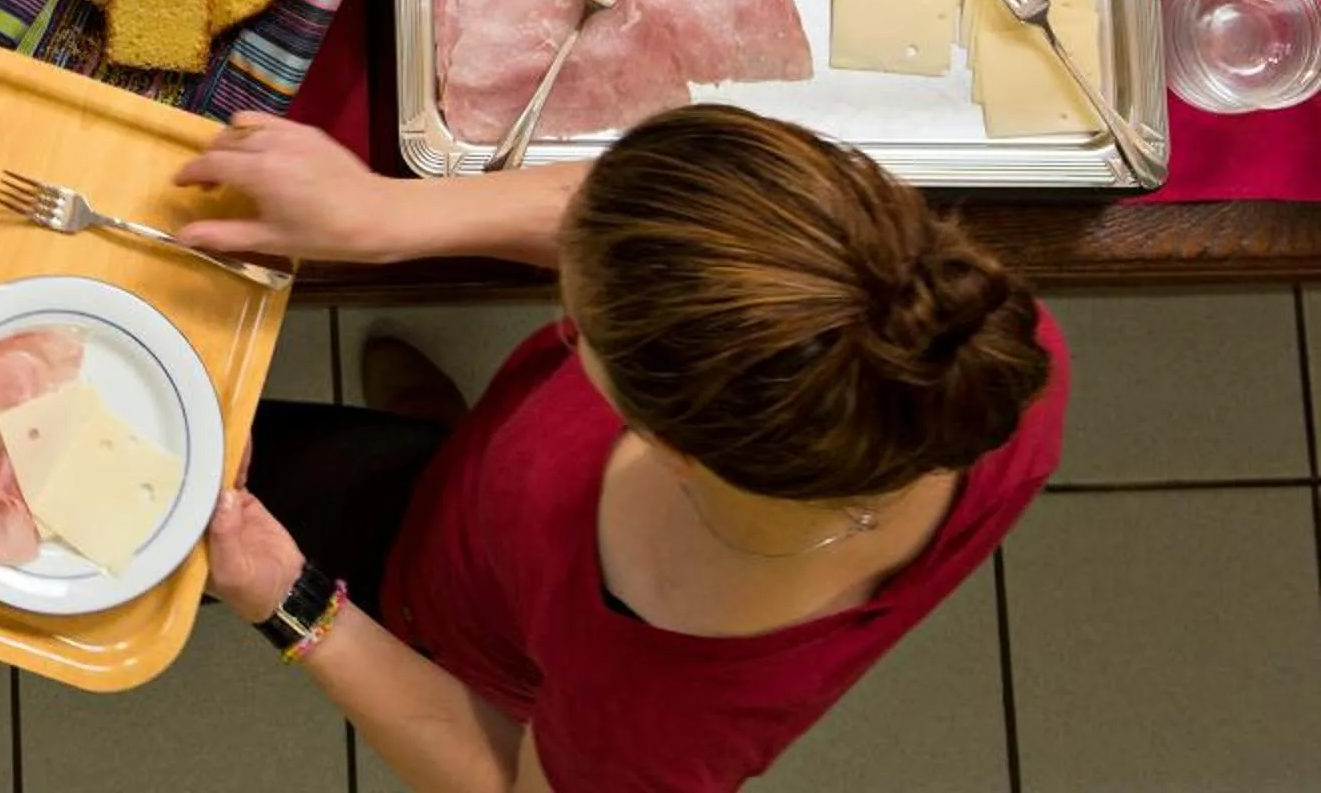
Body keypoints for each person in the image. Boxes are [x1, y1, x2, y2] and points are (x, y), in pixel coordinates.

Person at [174, 103, 1065, 793]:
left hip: (445, 604)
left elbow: (507, 781)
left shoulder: (651, 723)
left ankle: (428, 462)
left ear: (665, 445)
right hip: (490, 504)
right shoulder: (977, 350)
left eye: (580, 324)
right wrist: (388, 214)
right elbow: (642, 222)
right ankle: (441, 442)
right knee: (434, 465)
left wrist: (293, 601)